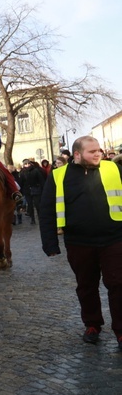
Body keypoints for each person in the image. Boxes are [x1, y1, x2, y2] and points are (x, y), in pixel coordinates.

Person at [39, 136, 122, 349]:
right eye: (92, 151)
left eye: (99, 151)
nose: (98, 154)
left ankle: (121, 331)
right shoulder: (58, 175)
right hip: (78, 242)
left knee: (118, 285)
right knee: (86, 286)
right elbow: (47, 209)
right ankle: (92, 325)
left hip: (114, 238)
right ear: (77, 155)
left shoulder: (113, 169)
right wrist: (50, 243)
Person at [19, 159, 45, 225]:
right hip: (27, 191)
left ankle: (40, 218)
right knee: (30, 205)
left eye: (28, 163)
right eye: (25, 164)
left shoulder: (36, 170)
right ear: (23, 165)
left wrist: (42, 189)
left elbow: (41, 180)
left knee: (37, 205)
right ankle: (32, 219)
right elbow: (21, 183)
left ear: (30, 164)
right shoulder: (22, 172)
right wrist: (21, 191)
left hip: (36, 189)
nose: (27, 165)